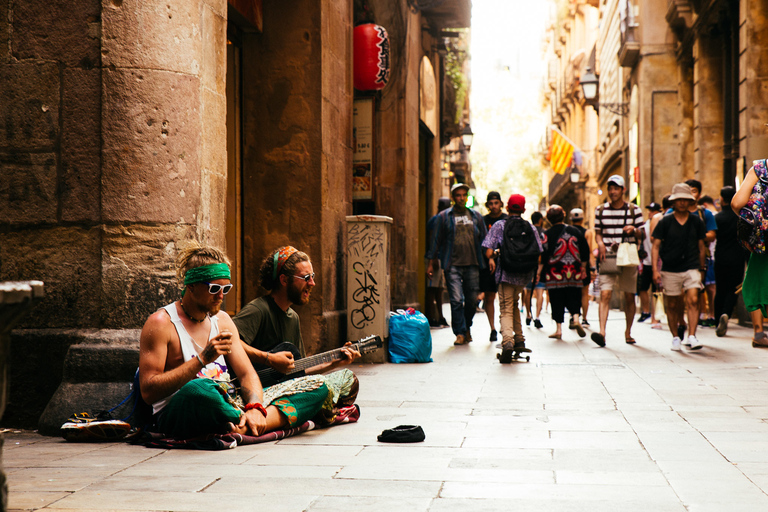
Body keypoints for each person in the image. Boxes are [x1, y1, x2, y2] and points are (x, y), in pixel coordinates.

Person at [139, 245, 327, 439]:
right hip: (182, 408)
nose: (221, 296)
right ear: (191, 285)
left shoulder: (222, 320)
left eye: (226, 288)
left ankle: (246, 424)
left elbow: (247, 374)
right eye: (214, 288)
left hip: (230, 402)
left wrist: (255, 406)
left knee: (317, 385)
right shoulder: (162, 323)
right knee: (200, 389)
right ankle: (257, 422)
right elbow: (148, 392)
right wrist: (202, 360)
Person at [233, 246, 360, 375]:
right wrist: (269, 359)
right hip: (248, 386)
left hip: (281, 387)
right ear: (284, 280)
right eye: (306, 278)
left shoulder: (293, 318)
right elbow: (229, 342)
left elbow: (299, 368)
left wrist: (334, 363)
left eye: (312, 276)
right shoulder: (258, 310)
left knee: (346, 380)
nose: (312, 283)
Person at [482, 193, 542, 360]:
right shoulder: (530, 227)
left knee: (505, 308)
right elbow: (539, 251)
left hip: (505, 273)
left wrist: (496, 254)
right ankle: (520, 340)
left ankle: (507, 341)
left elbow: (488, 251)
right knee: (513, 303)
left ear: (507, 207)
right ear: (523, 209)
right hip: (523, 276)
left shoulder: (500, 225)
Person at [426, 182, 488, 346]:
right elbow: (436, 241)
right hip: (452, 264)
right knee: (455, 300)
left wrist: (490, 258)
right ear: (453, 198)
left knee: (472, 301)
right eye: (458, 195)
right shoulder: (444, 216)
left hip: (473, 264)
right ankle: (460, 333)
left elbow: (485, 240)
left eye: (464, 195)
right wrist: (431, 263)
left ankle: (466, 326)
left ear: (467, 197)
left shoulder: (476, 216)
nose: (461, 198)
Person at [652, 183, 707, 351]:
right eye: (679, 200)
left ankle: (692, 335)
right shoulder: (665, 221)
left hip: (691, 266)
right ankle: (675, 337)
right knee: (673, 304)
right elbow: (655, 246)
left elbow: (701, 246)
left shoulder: (696, 221)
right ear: (673, 202)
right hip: (670, 268)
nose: (682, 203)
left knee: (693, 299)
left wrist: (702, 267)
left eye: (685, 200)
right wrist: (655, 269)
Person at [592, 174, 645, 346]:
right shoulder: (600, 210)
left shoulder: (633, 210)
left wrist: (634, 230)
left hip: (627, 256)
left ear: (623, 190)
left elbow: (642, 233)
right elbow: (598, 233)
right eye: (610, 188)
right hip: (607, 256)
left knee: (629, 296)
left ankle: (628, 332)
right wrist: (600, 243)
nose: (613, 192)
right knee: (605, 294)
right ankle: (602, 332)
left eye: (616, 188)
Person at [731, 161, 768, 347]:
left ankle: (759, 331)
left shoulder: (761, 168)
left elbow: (737, 203)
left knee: (760, 286)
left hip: (764, 245)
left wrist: (759, 225)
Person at [540, 205, 589, 339]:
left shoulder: (546, 234)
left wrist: (539, 271)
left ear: (549, 219)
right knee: (574, 295)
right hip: (574, 271)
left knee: (556, 299)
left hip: (554, 273)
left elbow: (543, 255)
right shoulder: (575, 231)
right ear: (563, 216)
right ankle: (576, 319)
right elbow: (584, 250)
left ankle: (559, 329)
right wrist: (583, 267)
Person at [713, 186, 748, 337]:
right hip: (737, 258)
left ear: (721, 198)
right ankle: (726, 312)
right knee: (733, 289)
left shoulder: (717, 218)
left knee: (720, 289)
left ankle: (717, 320)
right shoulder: (741, 217)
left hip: (720, 257)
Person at [479, 191, 509, 342]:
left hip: (505, 263)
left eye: (496, 203)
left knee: (505, 297)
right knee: (489, 296)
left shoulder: (507, 220)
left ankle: (506, 328)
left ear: (501, 204)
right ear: (487, 205)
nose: (493, 206)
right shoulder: (483, 220)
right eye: (491, 203)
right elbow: (481, 241)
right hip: (487, 264)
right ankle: (493, 329)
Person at [425, 198, 452, 328]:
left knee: (439, 289)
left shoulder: (442, 219)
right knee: (432, 288)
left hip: (442, 257)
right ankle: (431, 317)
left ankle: (439, 316)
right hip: (436, 258)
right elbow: (432, 239)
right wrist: (433, 258)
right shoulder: (437, 220)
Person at [568, 208, 595, 328]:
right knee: (584, 292)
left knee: (572, 292)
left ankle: (573, 316)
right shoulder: (587, 232)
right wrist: (593, 268)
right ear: (583, 218)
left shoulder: (567, 231)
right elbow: (589, 251)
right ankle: (584, 319)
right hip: (584, 265)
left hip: (571, 265)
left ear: (571, 219)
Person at [637, 202, 662, 323]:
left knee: (656, 289)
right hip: (645, 262)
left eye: (653, 210)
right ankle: (645, 311)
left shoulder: (661, 224)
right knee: (642, 288)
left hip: (657, 263)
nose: (650, 213)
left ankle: (656, 314)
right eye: (649, 210)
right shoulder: (644, 226)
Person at [524, 211, 547, 328]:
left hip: (528, 266)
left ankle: (528, 315)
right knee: (540, 293)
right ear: (540, 220)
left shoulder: (528, 232)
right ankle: (537, 317)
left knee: (528, 292)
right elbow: (545, 252)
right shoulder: (544, 233)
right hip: (541, 268)